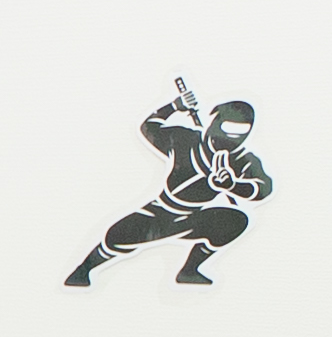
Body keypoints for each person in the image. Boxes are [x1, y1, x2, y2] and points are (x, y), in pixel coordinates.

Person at [61, 83, 272, 286]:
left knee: (235, 220)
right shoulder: (185, 139)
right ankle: (83, 271)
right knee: (118, 235)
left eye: (239, 135)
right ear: (213, 123)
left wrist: (233, 185)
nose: (228, 139)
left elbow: (263, 188)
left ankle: (190, 271)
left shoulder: (244, 160)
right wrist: (174, 106)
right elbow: (149, 127)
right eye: (225, 130)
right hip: (161, 210)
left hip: (196, 216)